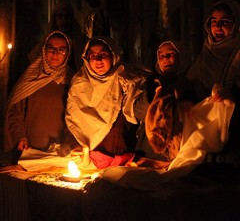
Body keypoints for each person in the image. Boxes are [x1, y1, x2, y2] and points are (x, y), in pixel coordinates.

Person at [65, 36, 145, 169]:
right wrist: (75, 145)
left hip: (124, 158)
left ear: (113, 55)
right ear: (87, 59)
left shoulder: (128, 81)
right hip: (90, 161)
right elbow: (72, 122)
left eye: (103, 54)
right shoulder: (79, 84)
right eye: (93, 56)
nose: (98, 60)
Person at [3, 31, 78, 154]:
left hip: (63, 151)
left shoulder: (74, 81)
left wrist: (74, 144)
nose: (55, 53)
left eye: (61, 50)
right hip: (31, 150)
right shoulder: (30, 78)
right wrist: (20, 136)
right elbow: (15, 112)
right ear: (44, 49)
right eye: (51, 48)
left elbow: (77, 117)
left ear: (68, 53)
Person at [187, 0, 240, 165]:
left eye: (224, 22)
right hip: (206, 130)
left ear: (236, 24)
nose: (217, 27)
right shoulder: (207, 51)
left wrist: (232, 95)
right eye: (213, 22)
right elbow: (193, 81)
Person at [134, 41, 197, 169]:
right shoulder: (150, 83)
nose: (166, 58)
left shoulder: (190, 83)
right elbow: (138, 112)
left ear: (181, 57)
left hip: (179, 152)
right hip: (149, 152)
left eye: (171, 54)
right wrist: (153, 96)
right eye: (162, 56)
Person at [28, 3, 88, 72]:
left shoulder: (84, 42)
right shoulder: (44, 44)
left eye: (67, 16)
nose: (64, 20)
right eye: (60, 16)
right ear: (55, 19)